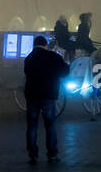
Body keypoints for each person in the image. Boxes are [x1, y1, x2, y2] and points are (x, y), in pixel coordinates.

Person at [23, 35, 70, 163]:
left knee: (32, 126)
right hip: (49, 95)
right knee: (50, 125)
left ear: (34, 45)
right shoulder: (54, 57)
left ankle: (32, 153)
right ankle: (52, 154)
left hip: (32, 95)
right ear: (45, 45)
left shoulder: (28, 59)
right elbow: (65, 72)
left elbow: (26, 73)